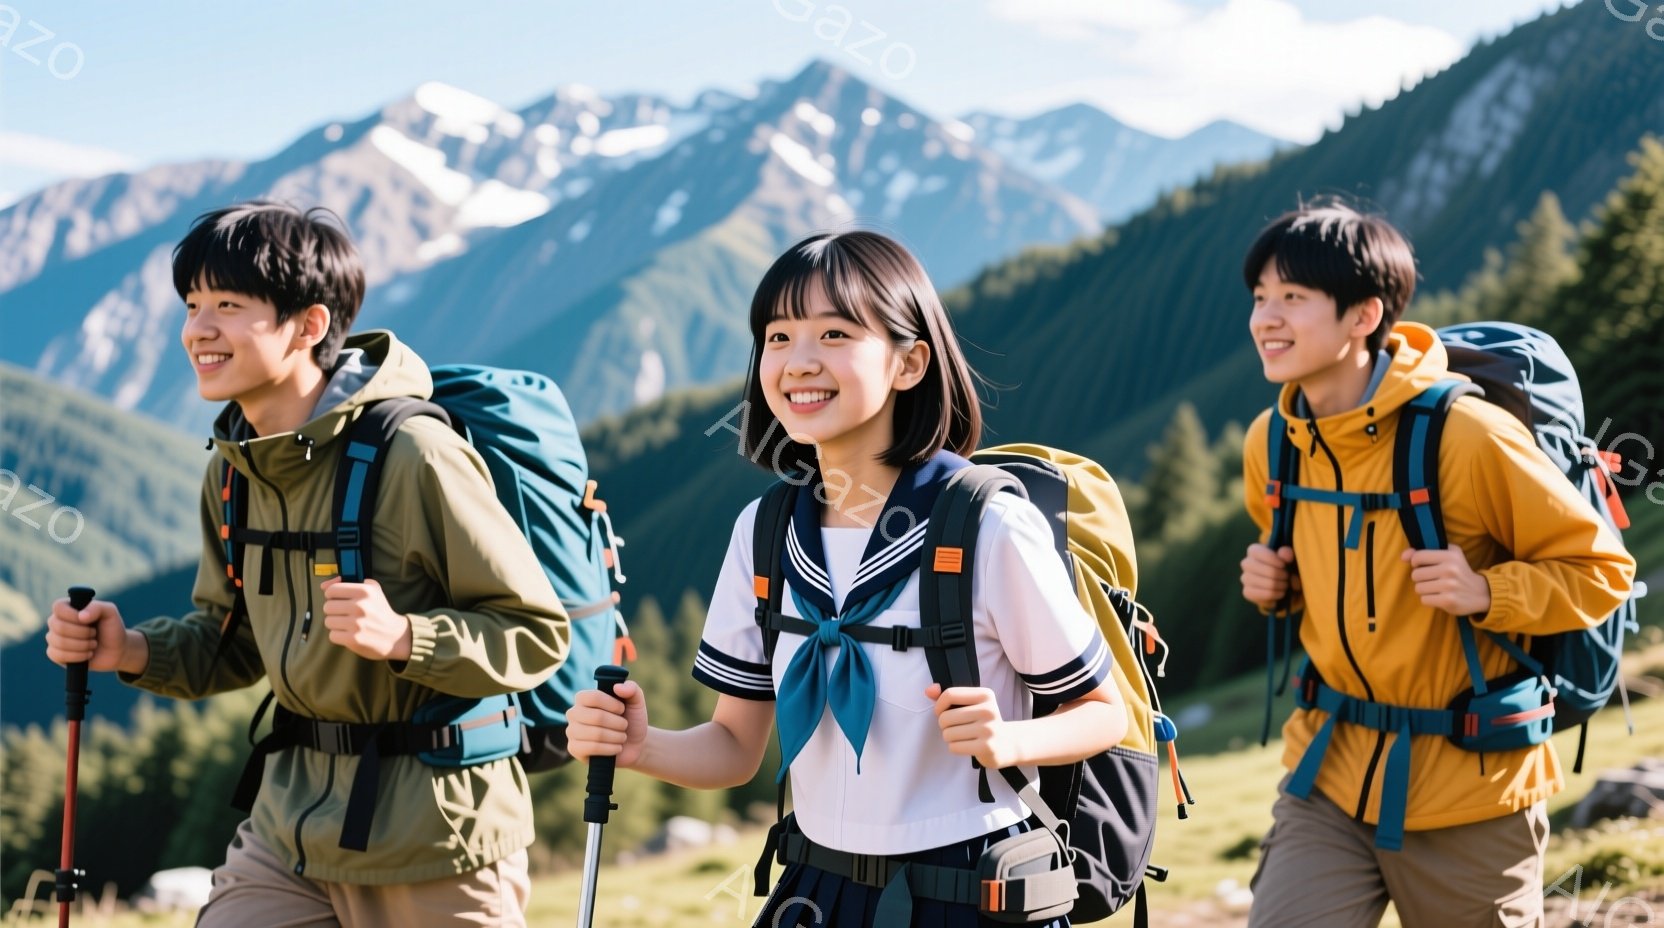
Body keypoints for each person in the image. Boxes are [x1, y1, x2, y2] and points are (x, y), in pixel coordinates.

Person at [566, 230, 1126, 927]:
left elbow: (1105, 713)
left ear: (910, 362)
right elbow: (737, 747)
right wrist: (640, 747)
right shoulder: (764, 533)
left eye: (834, 333)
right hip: (815, 891)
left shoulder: (986, 528)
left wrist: (1013, 741)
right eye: (777, 337)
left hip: (969, 890)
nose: (798, 363)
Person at [44, 201, 569, 927]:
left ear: (310, 325)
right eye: (193, 304)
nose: (198, 328)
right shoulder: (233, 473)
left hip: (436, 838)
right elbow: (231, 642)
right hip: (290, 828)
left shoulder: (415, 454)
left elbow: (536, 633)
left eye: (229, 305)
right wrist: (127, 648)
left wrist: (407, 639)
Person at [1237, 202, 1635, 927]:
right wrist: (1278, 589)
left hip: (1473, 789)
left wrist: (1487, 590)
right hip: (1328, 776)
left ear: (1364, 315)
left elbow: (1601, 571)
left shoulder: (1468, 435)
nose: (1267, 318)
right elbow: (1341, 586)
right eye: (1261, 297)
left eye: (1294, 298)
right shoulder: (1275, 440)